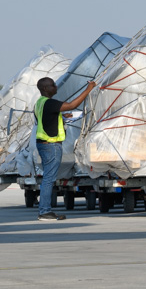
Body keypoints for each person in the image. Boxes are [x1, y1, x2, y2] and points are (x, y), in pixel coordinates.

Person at [34, 77, 96, 221]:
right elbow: (72, 105)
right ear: (45, 89)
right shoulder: (50, 103)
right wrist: (89, 89)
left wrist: (61, 116)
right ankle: (44, 211)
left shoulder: (40, 103)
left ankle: (45, 210)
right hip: (51, 145)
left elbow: (46, 119)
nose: (55, 87)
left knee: (47, 179)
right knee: (48, 179)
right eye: (52, 85)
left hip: (43, 144)